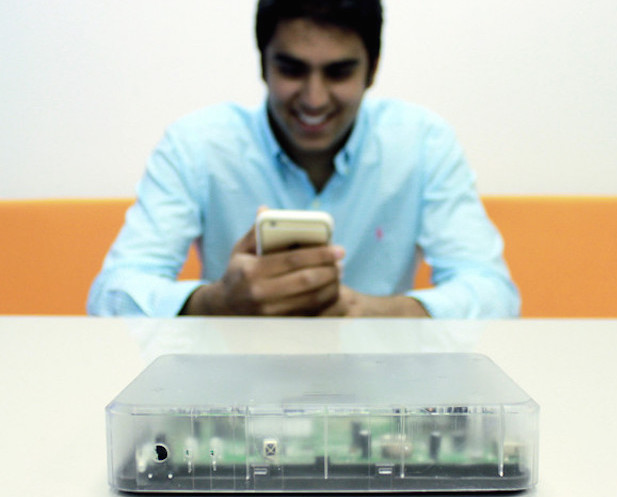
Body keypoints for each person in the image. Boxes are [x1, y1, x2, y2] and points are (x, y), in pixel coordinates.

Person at [87, 0, 520, 319]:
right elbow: (110, 295)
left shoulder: (423, 144)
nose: (314, 99)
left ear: (372, 69)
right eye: (292, 70)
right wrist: (215, 303)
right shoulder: (196, 145)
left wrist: (372, 312)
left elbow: (495, 295)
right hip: (235, 387)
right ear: (263, 65)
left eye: (339, 72)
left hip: (377, 385)